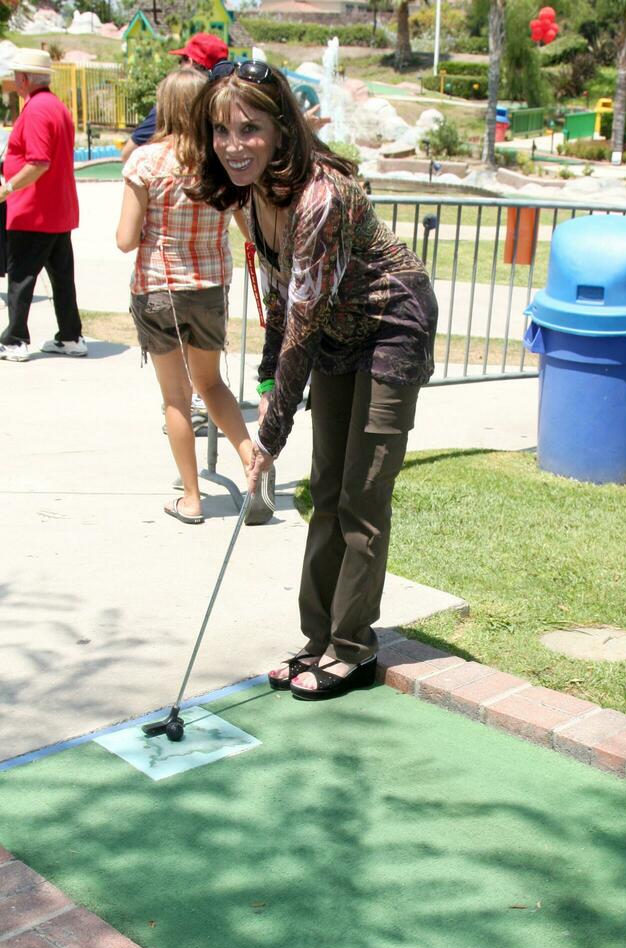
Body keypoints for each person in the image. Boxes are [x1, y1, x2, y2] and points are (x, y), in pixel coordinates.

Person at [186, 62, 437, 698]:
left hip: (391, 325)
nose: (233, 144)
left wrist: (266, 436)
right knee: (323, 488)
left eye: (249, 128)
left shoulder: (320, 200)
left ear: (281, 131)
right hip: (332, 332)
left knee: (362, 493)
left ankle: (353, 647)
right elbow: (281, 304)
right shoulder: (248, 195)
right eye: (220, 130)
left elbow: (303, 321)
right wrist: (271, 383)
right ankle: (317, 638)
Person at [116, 68, 274, 526]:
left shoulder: (146, 162)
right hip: (208, 289)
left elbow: (126, 239)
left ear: (164, 106)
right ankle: (254, 466)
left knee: (175, 398)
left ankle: (191, 498)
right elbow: (250, 231)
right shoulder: (219, 164)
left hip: (159, 287)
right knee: (212, 384)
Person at [0, 49, 86, 363]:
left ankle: (15, 339)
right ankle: (70, 335)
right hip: (58, 209)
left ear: (25, 78)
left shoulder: (36, 110)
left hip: (33, 210)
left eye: (16, 75)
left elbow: (38, 162)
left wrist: (7, 188)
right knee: (62, 277)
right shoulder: (57, 107)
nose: (13, 81)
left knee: (21, 276)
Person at [120, 34, 229, 165]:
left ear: (191, 61)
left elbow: (127, 154)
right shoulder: (229, 101)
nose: (179, 64)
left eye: (181, 59)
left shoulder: (173, 105)